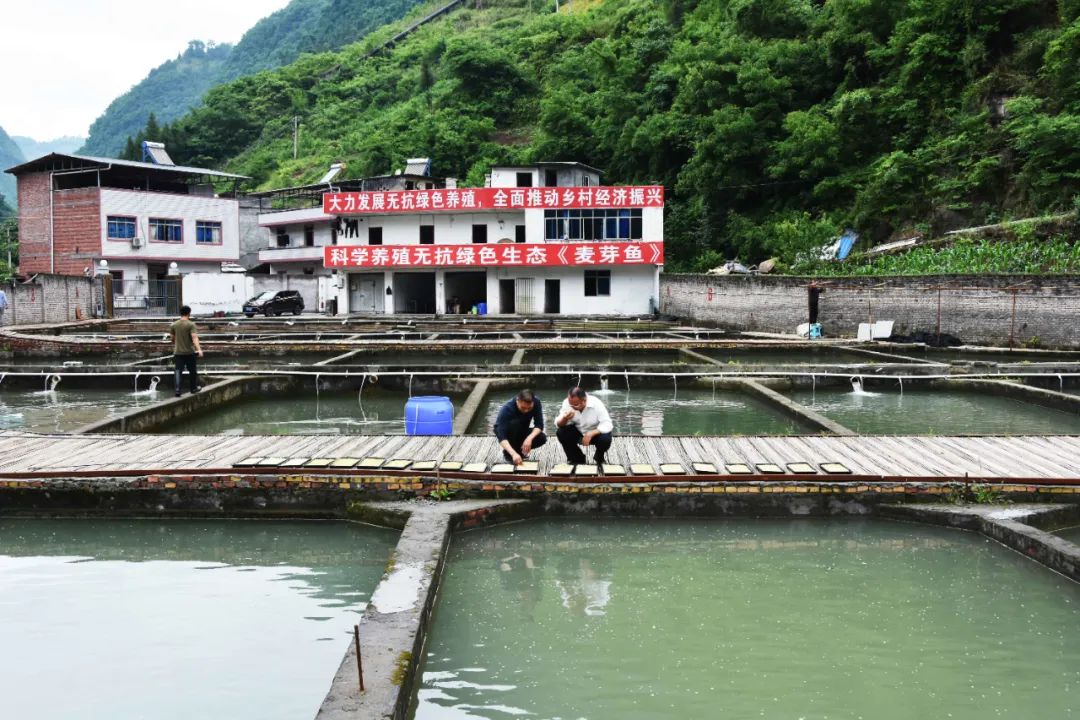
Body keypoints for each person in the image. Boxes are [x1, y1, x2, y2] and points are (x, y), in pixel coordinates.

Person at [555, 386, 613, 466]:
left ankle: (599, 457)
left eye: (575, 405)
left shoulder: (596, 403)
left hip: (595, 434)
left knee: (605, 438)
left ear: (584, 401)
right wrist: (565, 418)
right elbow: (558, 424)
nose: (572, 406)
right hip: (578, 432)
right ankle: (577, 458)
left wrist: (591, 433)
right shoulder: (567, 403)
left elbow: (607, 423)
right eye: (570, 404)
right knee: (561, 432)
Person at [494, 389, 547, 465]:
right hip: (508, 433)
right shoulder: (507, 409)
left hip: (522, 430)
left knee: (541, 437)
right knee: (514, 424)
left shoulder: (536, 402)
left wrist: (529, 438)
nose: (526, 411)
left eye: (529, 408)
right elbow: (501, 436)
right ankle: (509, 454)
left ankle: (519, 451)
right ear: (517, 401)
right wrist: (513, 454)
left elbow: (539, 425)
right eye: (523, 408)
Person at [169, 305, 203, 397]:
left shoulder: (174, 324)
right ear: (189, 313)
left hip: (178, 352)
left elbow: (172, 338)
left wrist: (177, 342)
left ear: (180, 313)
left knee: (178, 371)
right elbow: (194, 337)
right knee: (192, 371)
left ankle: (177, 390)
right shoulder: (191, 324)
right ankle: (193, 388)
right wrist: (199, 349)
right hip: (189, 352)